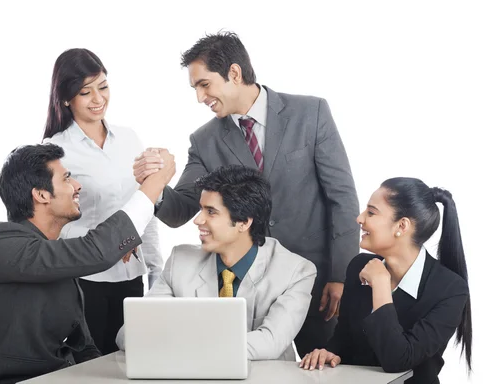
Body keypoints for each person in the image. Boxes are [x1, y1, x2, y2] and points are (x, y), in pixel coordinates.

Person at [133, 31, 359, 356]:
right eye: (195, 88)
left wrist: (340, 275)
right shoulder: (205, 140)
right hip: (250, 284)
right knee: (252, 361)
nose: (200, 97)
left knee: (321, 366)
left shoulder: (311, 114)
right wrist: (152, 185)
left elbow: (343, 199)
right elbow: (180, 208)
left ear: (234, 74)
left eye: (204, 84)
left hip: (317, 278)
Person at [0, 143, 175, 384]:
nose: (77, 186)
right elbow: (97, 250)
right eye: (66, 179)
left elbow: (84, 349)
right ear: (41, 195)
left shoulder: (58, 259)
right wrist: (153, 185)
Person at [116, 165, 317, 360]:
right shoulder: (180, 262)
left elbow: (270, 342)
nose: (197, 220)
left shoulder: (296, 272)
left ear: (244, 222)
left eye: (211, 212)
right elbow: (129, 335)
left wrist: (178, 343)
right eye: (201, 209)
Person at [42, 48, 163, 355]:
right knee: (90, 367)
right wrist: (114, 242)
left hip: (131, 278)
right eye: (86, 92)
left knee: (132, 363)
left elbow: (145, 207)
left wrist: (156, 271)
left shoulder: (129, 138)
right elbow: (51, 225)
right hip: (85, 282)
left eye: (103, 87)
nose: (98, 99)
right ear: (67, 97)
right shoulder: (54, 150)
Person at [300, 178, 472, 384]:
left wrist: (380, 285)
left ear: (402, 225)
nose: (359, 218)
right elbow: (343, 338)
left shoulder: (450, 289)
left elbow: (398, 360)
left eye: (371, 212)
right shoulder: (359, 266)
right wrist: (328, 353)